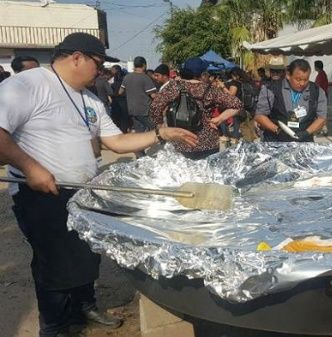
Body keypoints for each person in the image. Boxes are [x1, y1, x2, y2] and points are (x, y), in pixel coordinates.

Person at [0, 32, 198, 337]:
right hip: (41, 193)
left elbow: (116, 141)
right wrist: (31, 167)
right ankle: (54, 327)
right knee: (54, 263)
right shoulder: (28, 84)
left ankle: (85, 307)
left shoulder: (89, 98)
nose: (102, 71)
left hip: (83, 192)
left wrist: (161, 134)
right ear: (77, 57)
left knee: (86, 253)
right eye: (99, 63)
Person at [150, 58, 242, 160]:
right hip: (208, 142)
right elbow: (237, 104)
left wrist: (161, 126)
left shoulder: (173, 87)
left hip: (180, 139)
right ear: (202, 73)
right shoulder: (210, 89)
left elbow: (155, 108)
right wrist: (219, 119)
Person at [254, 59, 327, 142]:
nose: (302, 83)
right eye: (298, 79)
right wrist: (277, 130)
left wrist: (307, 133)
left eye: (306, 79)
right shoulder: (270, 89)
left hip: (304, 144)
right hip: (275, 142)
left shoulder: (317, 91)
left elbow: (321, 118)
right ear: (288, 75)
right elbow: (260, 116)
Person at [119, 56, 157, 135]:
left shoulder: (127, 77)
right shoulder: (145, 78)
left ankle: (139, 146)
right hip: (144, 110)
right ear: (144, 65)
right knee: (155, 129)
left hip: (132, 109)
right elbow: (153, 95)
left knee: (139, 130)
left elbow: (120, 92)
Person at [109, 65, 129, 132]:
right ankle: (124, 132)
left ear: (116, 70)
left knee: (116, 118)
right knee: (124, 118)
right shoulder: (125, 79)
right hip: (123, 101)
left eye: (112, 70)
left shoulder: (111, 81)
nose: (111, 71)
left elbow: (110, 92)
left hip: (116, 101)